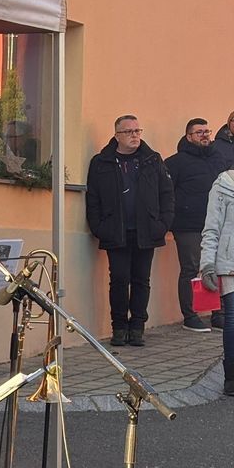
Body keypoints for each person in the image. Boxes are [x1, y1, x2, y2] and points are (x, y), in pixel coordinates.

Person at [85, 115, 174, 347]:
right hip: (116, 231)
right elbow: (93, 197)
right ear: (117, 136)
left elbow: (167, 193)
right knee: (119, 280)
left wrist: (162, 224)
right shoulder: (102, 162)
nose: (134, 135)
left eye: (137, 131)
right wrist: (99, 227)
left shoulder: (152, 159)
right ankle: (119, 328)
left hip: (147, 230)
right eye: (128, 132)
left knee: (141, 280)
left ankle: (137, 328)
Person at [165, 119, 230, 332]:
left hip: (217, 223)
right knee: (191, 269)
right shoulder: (175, 162)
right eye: (199, 132)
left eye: (207, 131)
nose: (205, 135)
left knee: (217, 268)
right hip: (188, 225)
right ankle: (190, 315)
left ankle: (217, 314)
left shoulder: (217, 159)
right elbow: (167, 193)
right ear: (188, 136)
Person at [200, 142, 234, 396]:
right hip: (231, 263)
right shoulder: (223, 185)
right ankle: (232, 377)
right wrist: (207, 265)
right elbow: (211, 228)